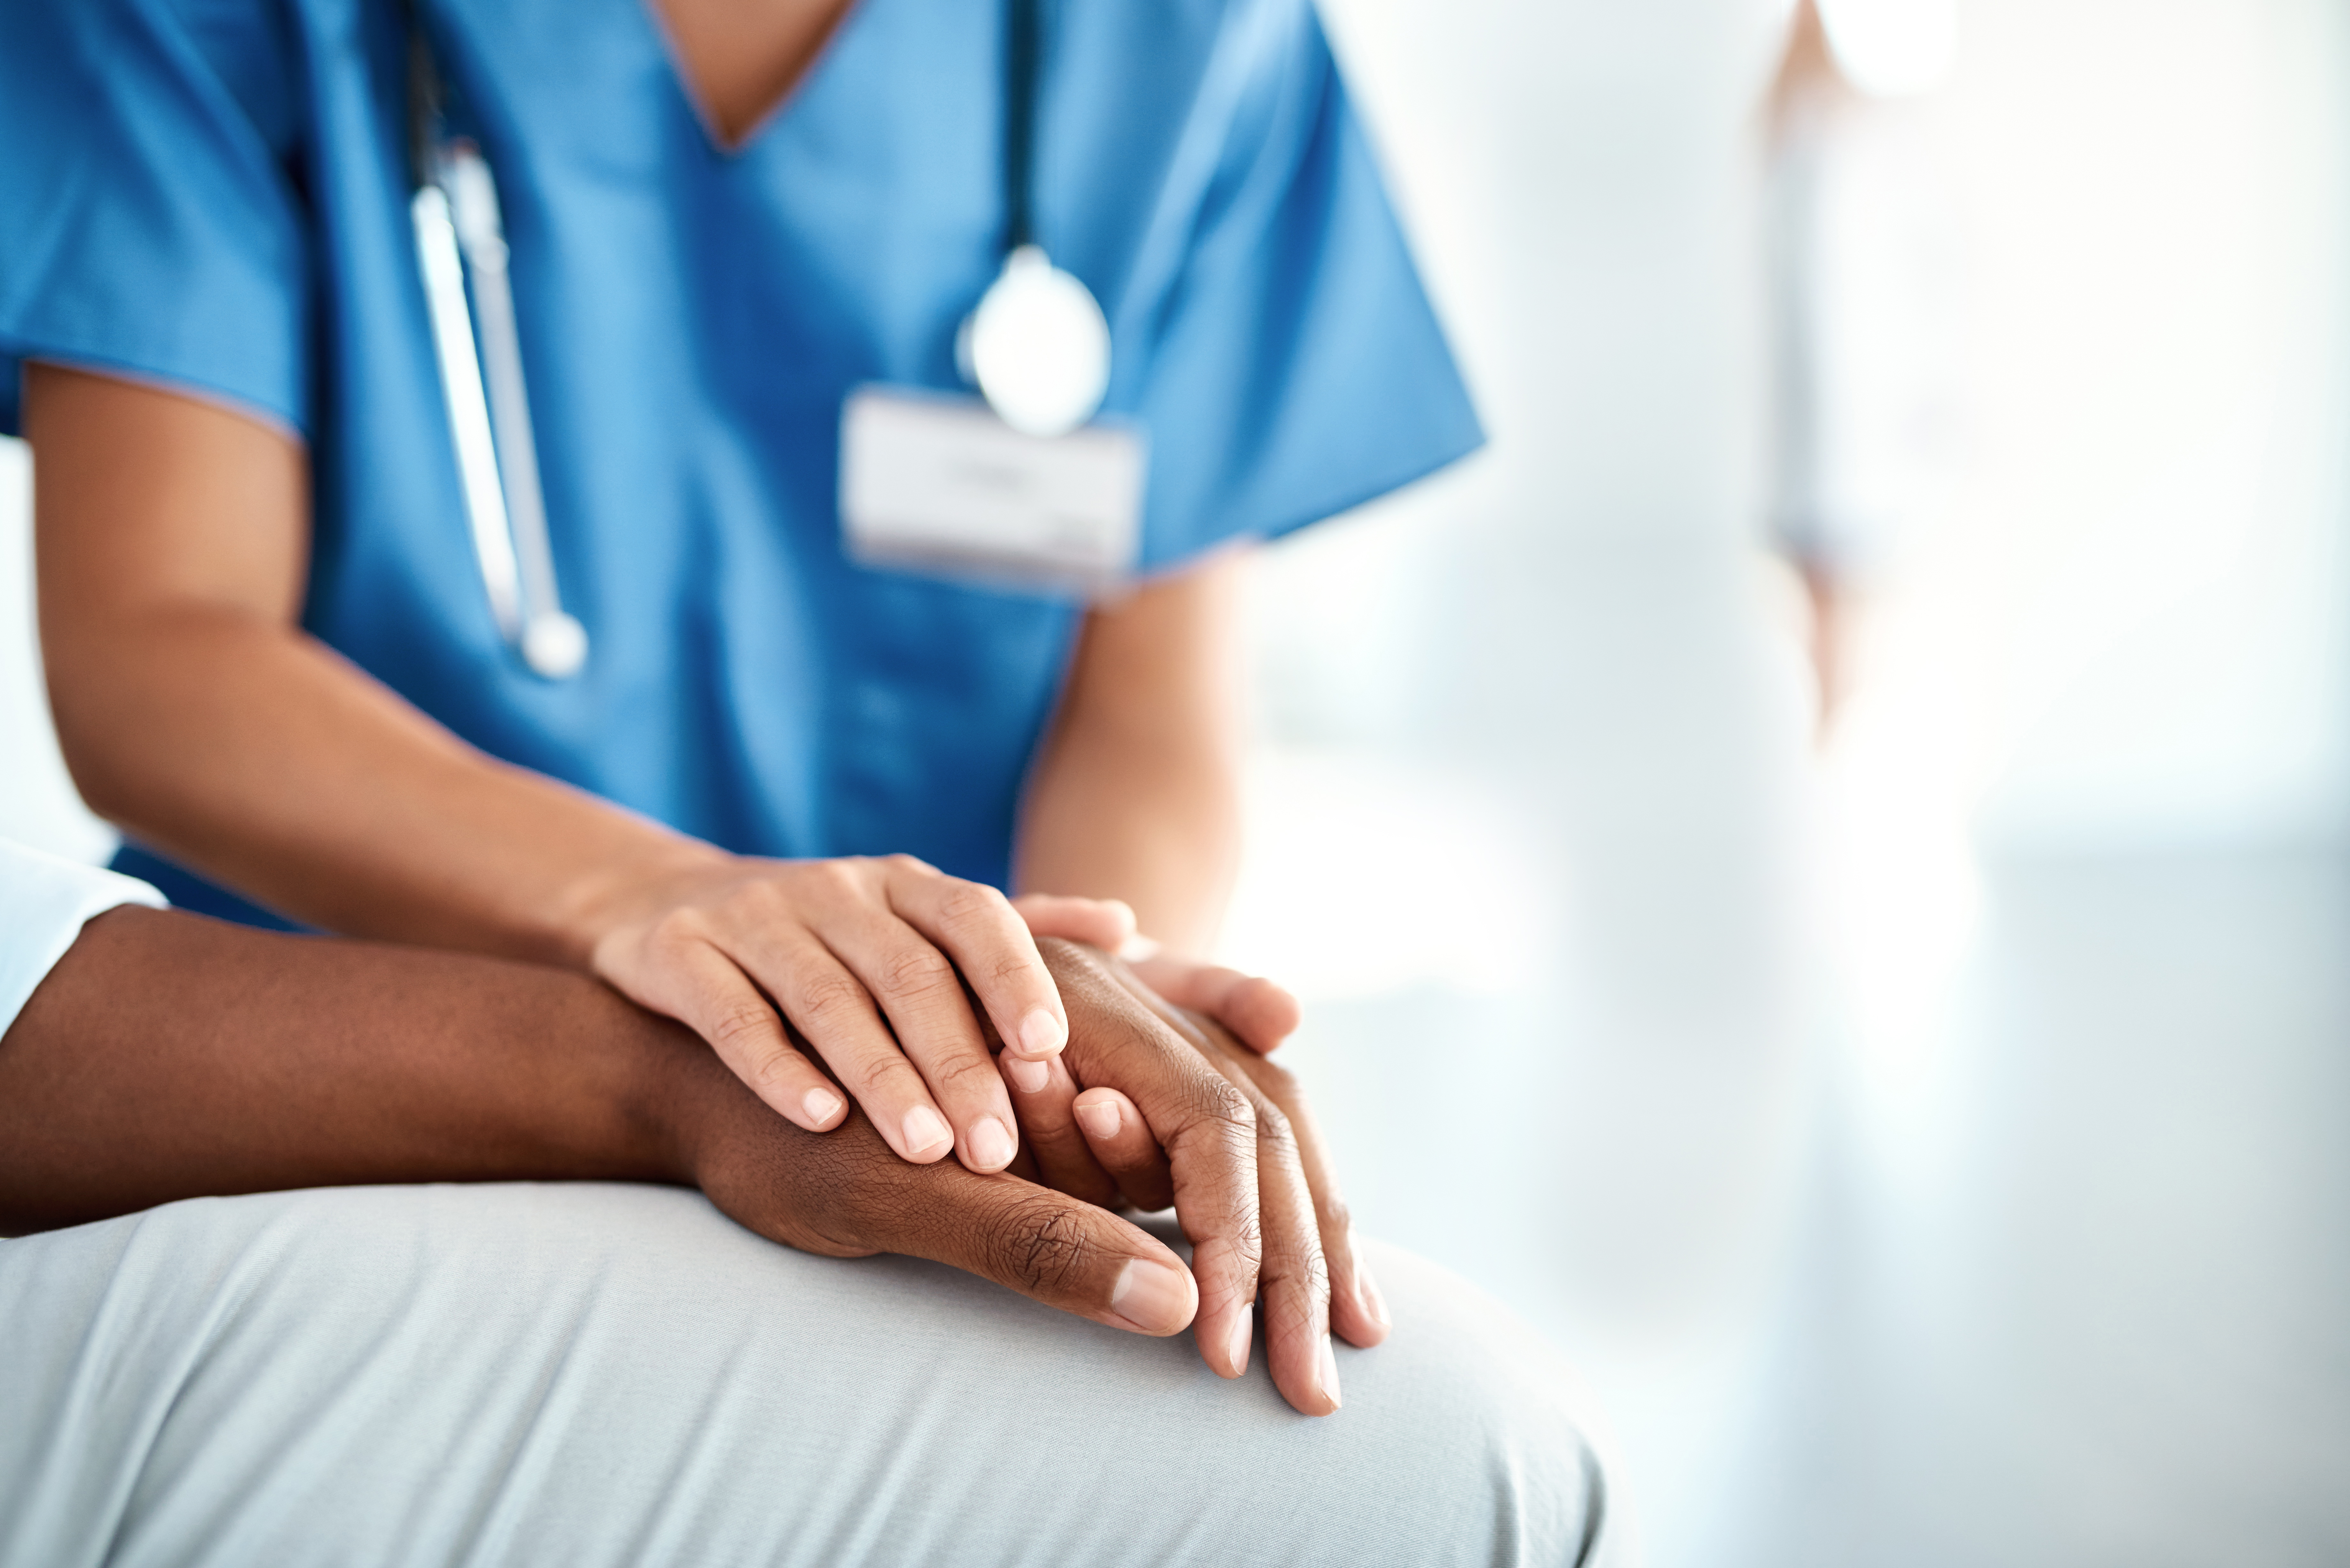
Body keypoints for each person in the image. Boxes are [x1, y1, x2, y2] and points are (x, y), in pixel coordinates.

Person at [2, 0, 1478, 1231]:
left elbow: (1147, 714)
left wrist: (1052, 1021)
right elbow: (159, 653)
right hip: (327, 1106)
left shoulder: (1179, 41)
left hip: (906, 1132)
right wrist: (651, 902)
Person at [0, 839, 1620, 1565]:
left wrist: (1042, 1035)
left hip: (848, 1030)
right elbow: (161, 646)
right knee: (1442, 1454)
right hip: (369, 1048)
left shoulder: (1205, 131)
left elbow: (1161, 660)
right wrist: (683, 1048)